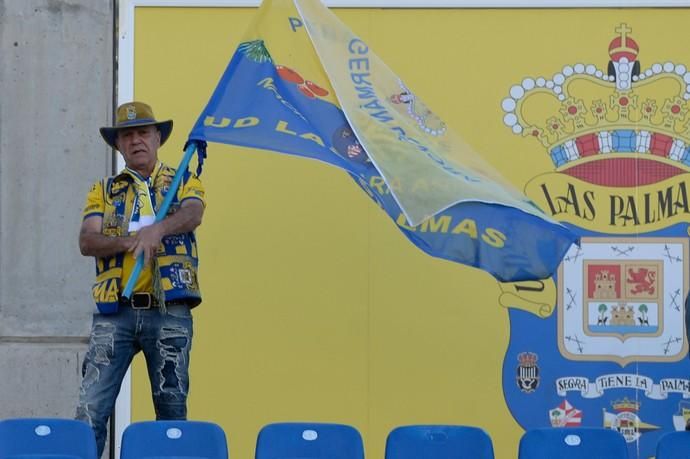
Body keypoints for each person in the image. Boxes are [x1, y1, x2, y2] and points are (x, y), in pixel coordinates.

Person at [75, 101, 206, 457]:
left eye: (143, 133)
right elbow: (88, 240)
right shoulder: (103, 189)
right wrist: (131, 241)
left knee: (172, 413)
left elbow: (194, 213)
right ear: (118, 145)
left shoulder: (182, 179)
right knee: (90, 411)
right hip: (114, 312)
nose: (136, 141)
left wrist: (158, 229)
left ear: (157, 138)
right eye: (127, 135)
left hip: (169, 311)